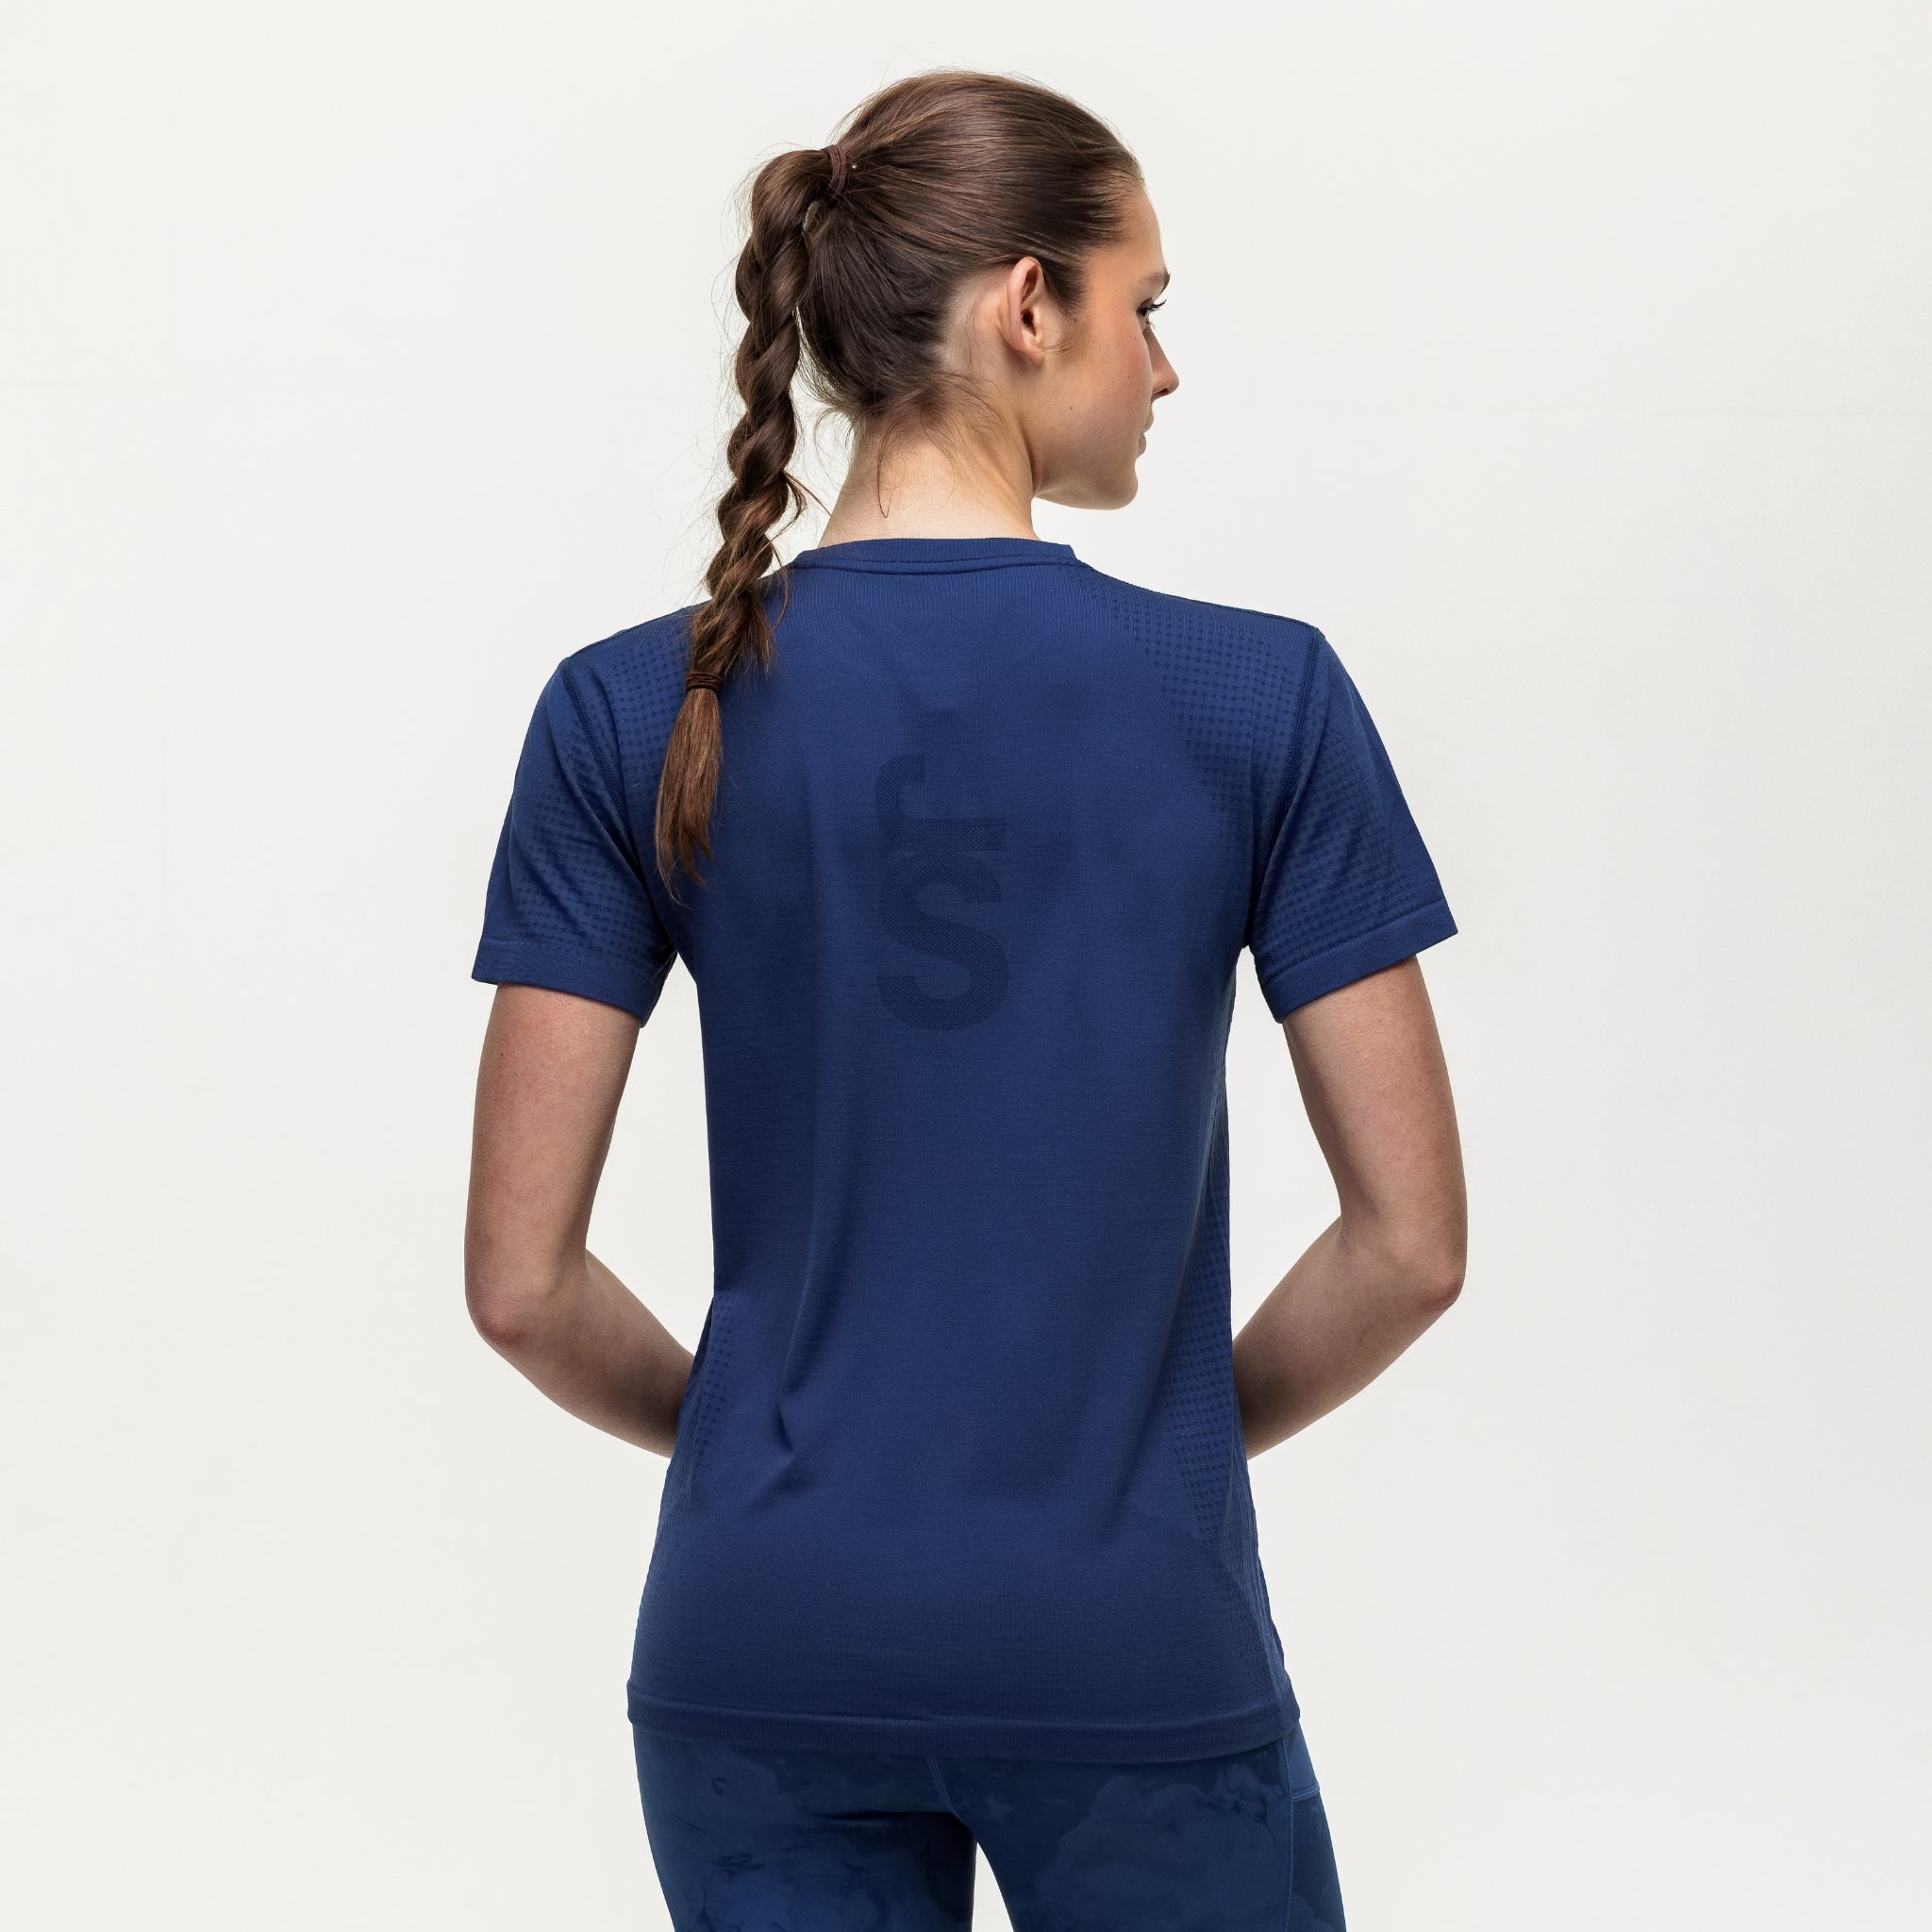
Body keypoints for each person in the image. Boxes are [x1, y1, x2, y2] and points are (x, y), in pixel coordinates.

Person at [464, 66, 1465, 1932]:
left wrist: (774, 1455)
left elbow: (519, 1285)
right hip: (1127, 1636)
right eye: (1144, 305)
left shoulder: (623, 708)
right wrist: (1148, 1443)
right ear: (1027, 305)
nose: (1164, 367)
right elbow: (1408, 1249)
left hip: (757, 1633)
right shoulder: (1255, 699)